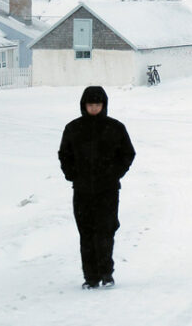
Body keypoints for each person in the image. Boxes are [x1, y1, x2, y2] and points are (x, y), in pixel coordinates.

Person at [57, 86, 136, 289]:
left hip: (108, 191)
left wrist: (115, 173)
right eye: (90, 104)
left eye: (97, 104)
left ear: (104, 105)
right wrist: (72, 174)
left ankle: (106, 273)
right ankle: (90, 277)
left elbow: (128, 153)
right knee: (86, 234)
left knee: (106, 231)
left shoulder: (115, 128)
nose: (94, 108)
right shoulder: (73, 128)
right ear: (84, 105)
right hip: (82, 191)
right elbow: (64, 154)